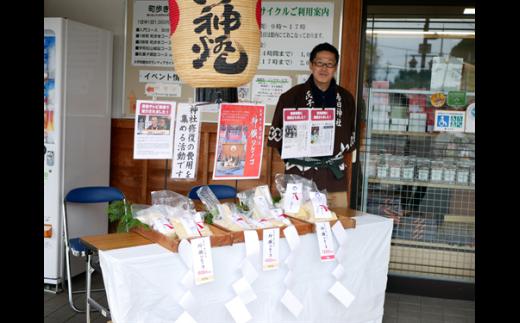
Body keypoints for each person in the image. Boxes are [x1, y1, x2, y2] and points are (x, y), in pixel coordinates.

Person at [267, 42, 356, 208]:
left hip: (334, 177)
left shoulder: (346, 99)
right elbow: (278, 138)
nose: (324, 68)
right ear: (311, 65)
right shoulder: (290, 97)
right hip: (299, 175)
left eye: (329, 64)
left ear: (335, 68)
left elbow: (349, 140)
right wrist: (298, 155)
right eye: (319, 63)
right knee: (299, 223)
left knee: (338, 222)